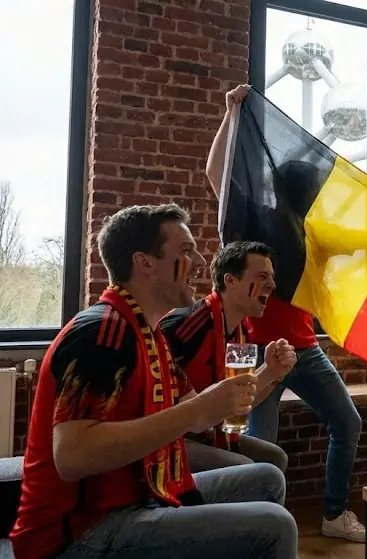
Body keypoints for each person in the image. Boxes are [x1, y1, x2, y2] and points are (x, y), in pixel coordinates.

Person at [10, 204, 298, 559]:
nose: (199, 262)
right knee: (275, 526)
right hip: (79, 531)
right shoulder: (103, 332)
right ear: (145, 262)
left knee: (267, 478)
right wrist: (194, 412)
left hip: (144, 491)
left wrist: (265, 374)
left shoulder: (150, 334)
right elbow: (71, 457)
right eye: (185, 251)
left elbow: (203, 409)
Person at [206, 84, 364, 542]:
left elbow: (363, 246)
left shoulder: (314, 234)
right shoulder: (252, 219)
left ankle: (334, 514)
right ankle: (260, 526)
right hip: (256, 353)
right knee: (261, 447)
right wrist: (231, 113)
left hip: (305, 350)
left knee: (347, 422)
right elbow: (216, 174)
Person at [160, 241, 294, 474]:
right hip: (167, 437)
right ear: (230, 281)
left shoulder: (241, 331)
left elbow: (242, 403)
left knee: (274, 457)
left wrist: (272, 371)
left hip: (207, 431)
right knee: (248, 470)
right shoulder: (190, 324)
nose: (272, 285)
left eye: (271, 277)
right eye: (262, 276)